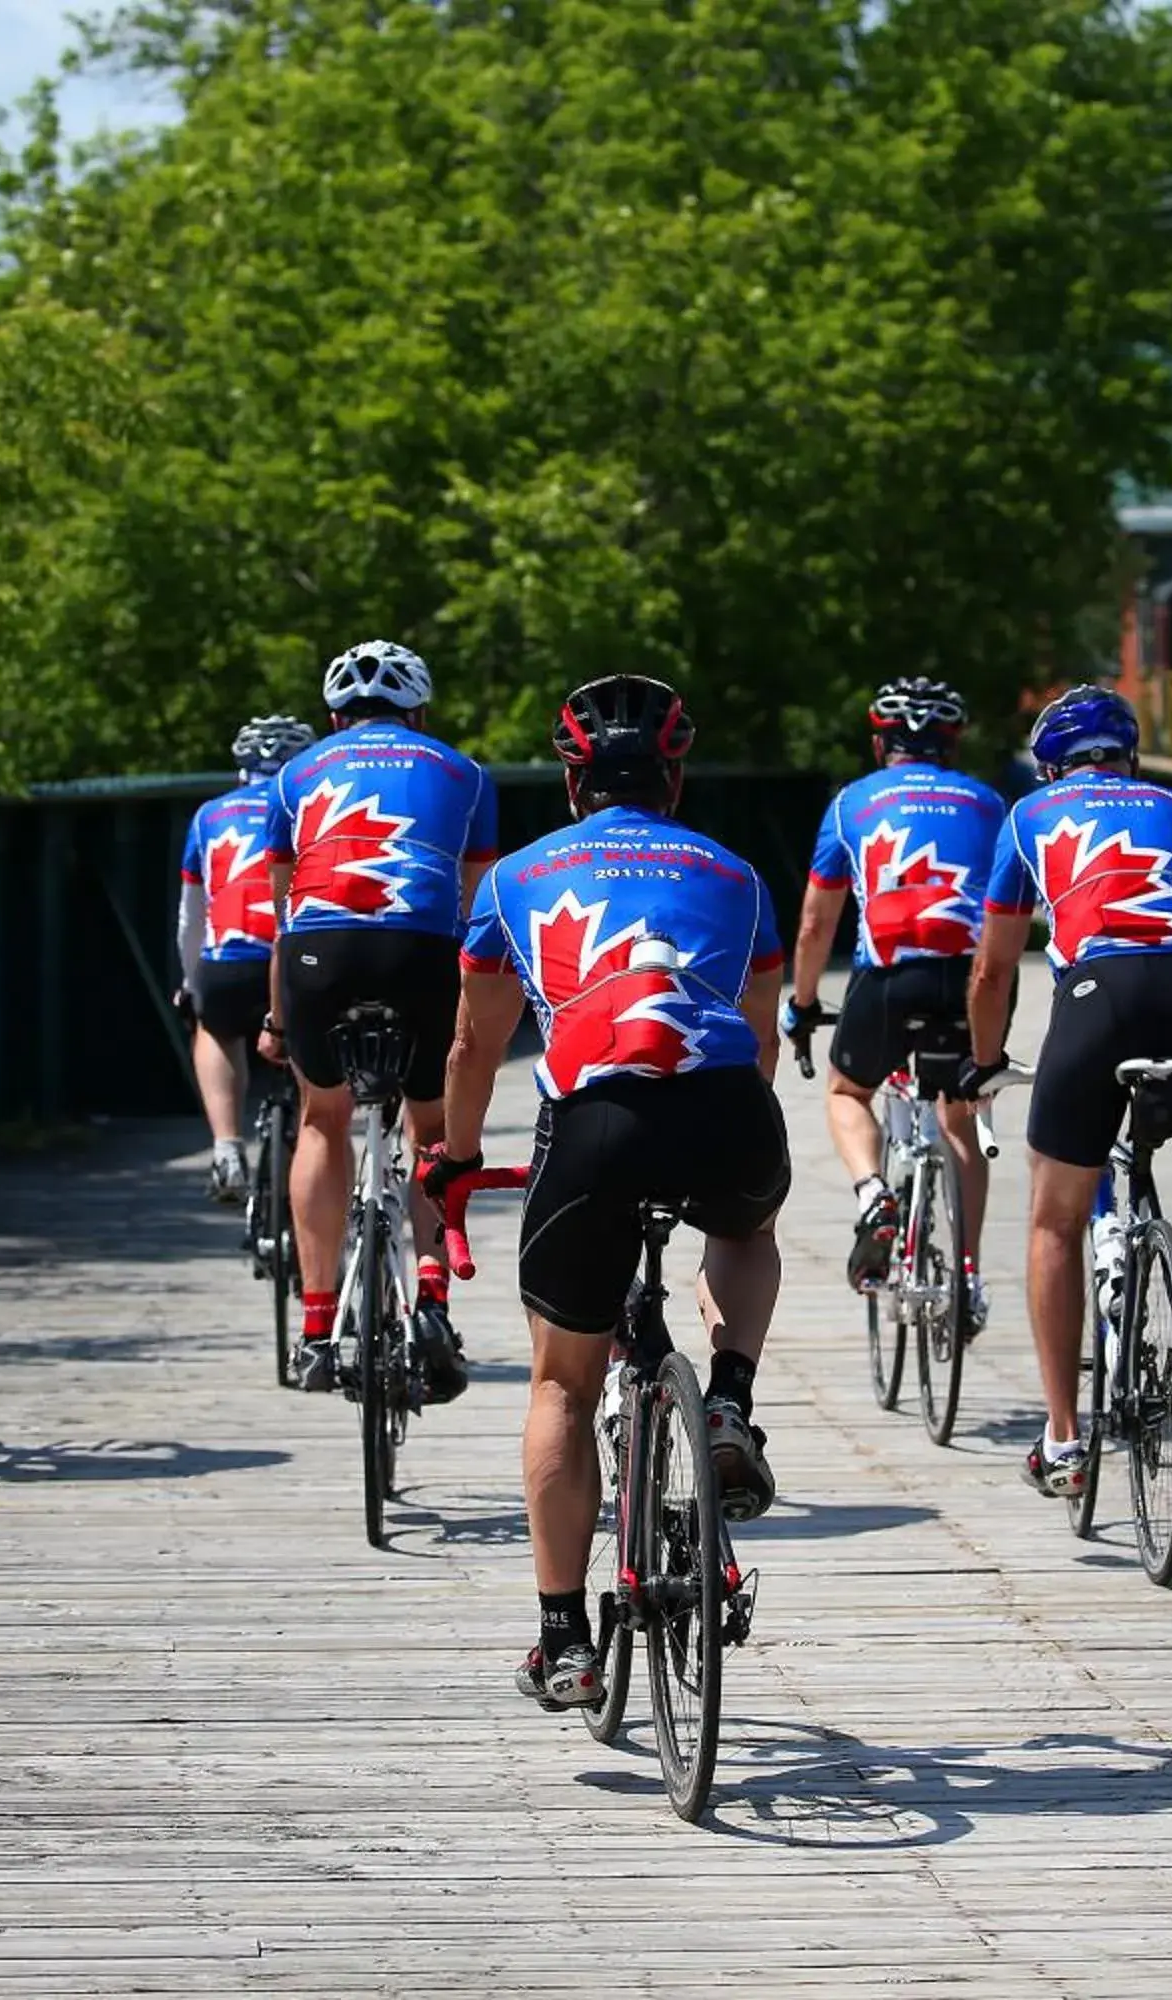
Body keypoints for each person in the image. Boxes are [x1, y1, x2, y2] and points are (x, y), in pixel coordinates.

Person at [426, 675, 791, 1711]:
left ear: (572, 777)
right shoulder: (736, 871)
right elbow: (758, 1036)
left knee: (561, 1388)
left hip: (594, 1124)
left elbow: (472, 1043)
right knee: (746, 1221)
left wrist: (455, 1158)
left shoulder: (513, 880)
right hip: (722, 1104)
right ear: (674, 776)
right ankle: (727, 1398)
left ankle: (564, 1636)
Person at [963, 683, 1172, 1499]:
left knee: (1055, 1218)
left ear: (1049, 767)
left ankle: (1065, 1439)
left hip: (1095, 1001)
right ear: (1131, 757)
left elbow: (996, 966)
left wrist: (985, 1058)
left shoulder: (1028, 816)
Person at [259, 641, 497, 1400]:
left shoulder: (295, 774)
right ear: (420, 714)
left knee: (322, 1118)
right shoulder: (465, 772)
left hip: (317, 953)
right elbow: (478, 898)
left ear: (333, 718)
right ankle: (431, 1299)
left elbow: (281, 907)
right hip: (421, 952)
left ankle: (317, 1329)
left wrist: (276, 1016)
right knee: (433, 1128)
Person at [782, 677, 1008, 1328]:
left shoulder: (852, 802)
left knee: (848, 1091)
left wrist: (801, 1007)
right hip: (972, 977)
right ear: (952, 743)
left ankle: (876, 1197)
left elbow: (814, 927)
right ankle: (965, 1277)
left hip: (889, 978)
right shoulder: (990, 802)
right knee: (960, 1114)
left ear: (881, 743)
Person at [176, 715, 316, 1202]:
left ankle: (226, 1145)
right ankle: (313, 1144)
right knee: (312, 1041)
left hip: (228, 956)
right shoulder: (310, 807)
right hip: (298, 957)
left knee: (213, 1024)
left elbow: (190, 918)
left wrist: (192, 983)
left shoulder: (209, 816)